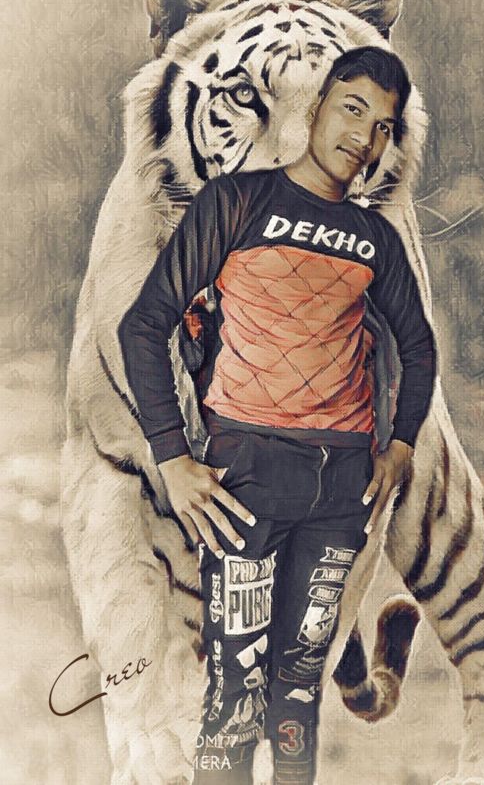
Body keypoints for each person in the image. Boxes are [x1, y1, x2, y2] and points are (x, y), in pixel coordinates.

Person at [118, 45, 437, 785]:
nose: (364, 135)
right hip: (246, 478)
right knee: (235, 693)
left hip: (341, 490)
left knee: (296, 695)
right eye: (353, 109)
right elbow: (146, 324)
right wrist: (173, 457)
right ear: (317, 108)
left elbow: (418, 347)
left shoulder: (374, 238)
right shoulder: (237, 202)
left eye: (383, 126)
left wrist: (399, 446)